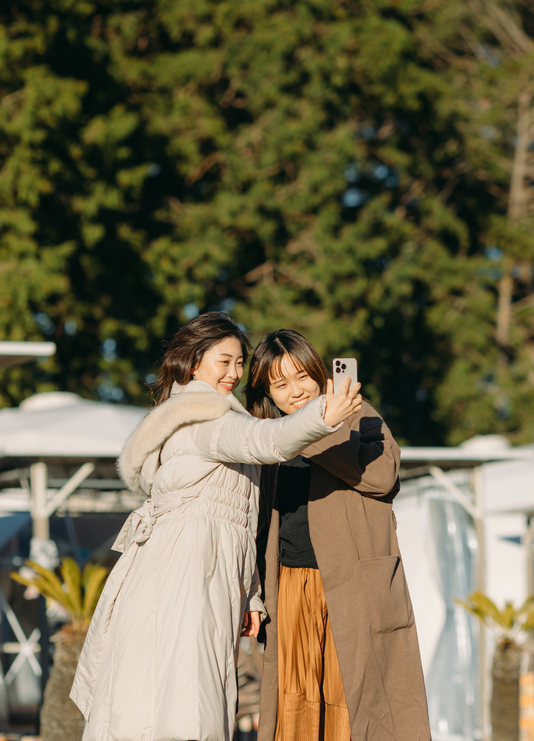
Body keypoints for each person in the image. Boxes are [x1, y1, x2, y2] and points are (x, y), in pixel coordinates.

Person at [71, 312, 363, 741]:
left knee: (167, 693)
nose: (235, 373)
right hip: (187, 573)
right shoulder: (203, 416)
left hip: (197, 571)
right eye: (223, 361)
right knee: (182, 700)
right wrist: (323, 414)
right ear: (193, 363)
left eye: (240, 363)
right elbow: (268, 441)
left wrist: (249, 595)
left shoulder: (212, 416)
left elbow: (238, 519)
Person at [245, 329, 429, 741]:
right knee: (295, 703)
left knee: (357, 701)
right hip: (290, 586)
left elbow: (383, 477)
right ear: (267, 392)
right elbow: (254, 524)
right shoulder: (265, 437)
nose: (295, 391)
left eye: (302, 377)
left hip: (353, 587)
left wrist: (317, 427)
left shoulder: (356, 412)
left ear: (317, 373)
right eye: (280, 383)